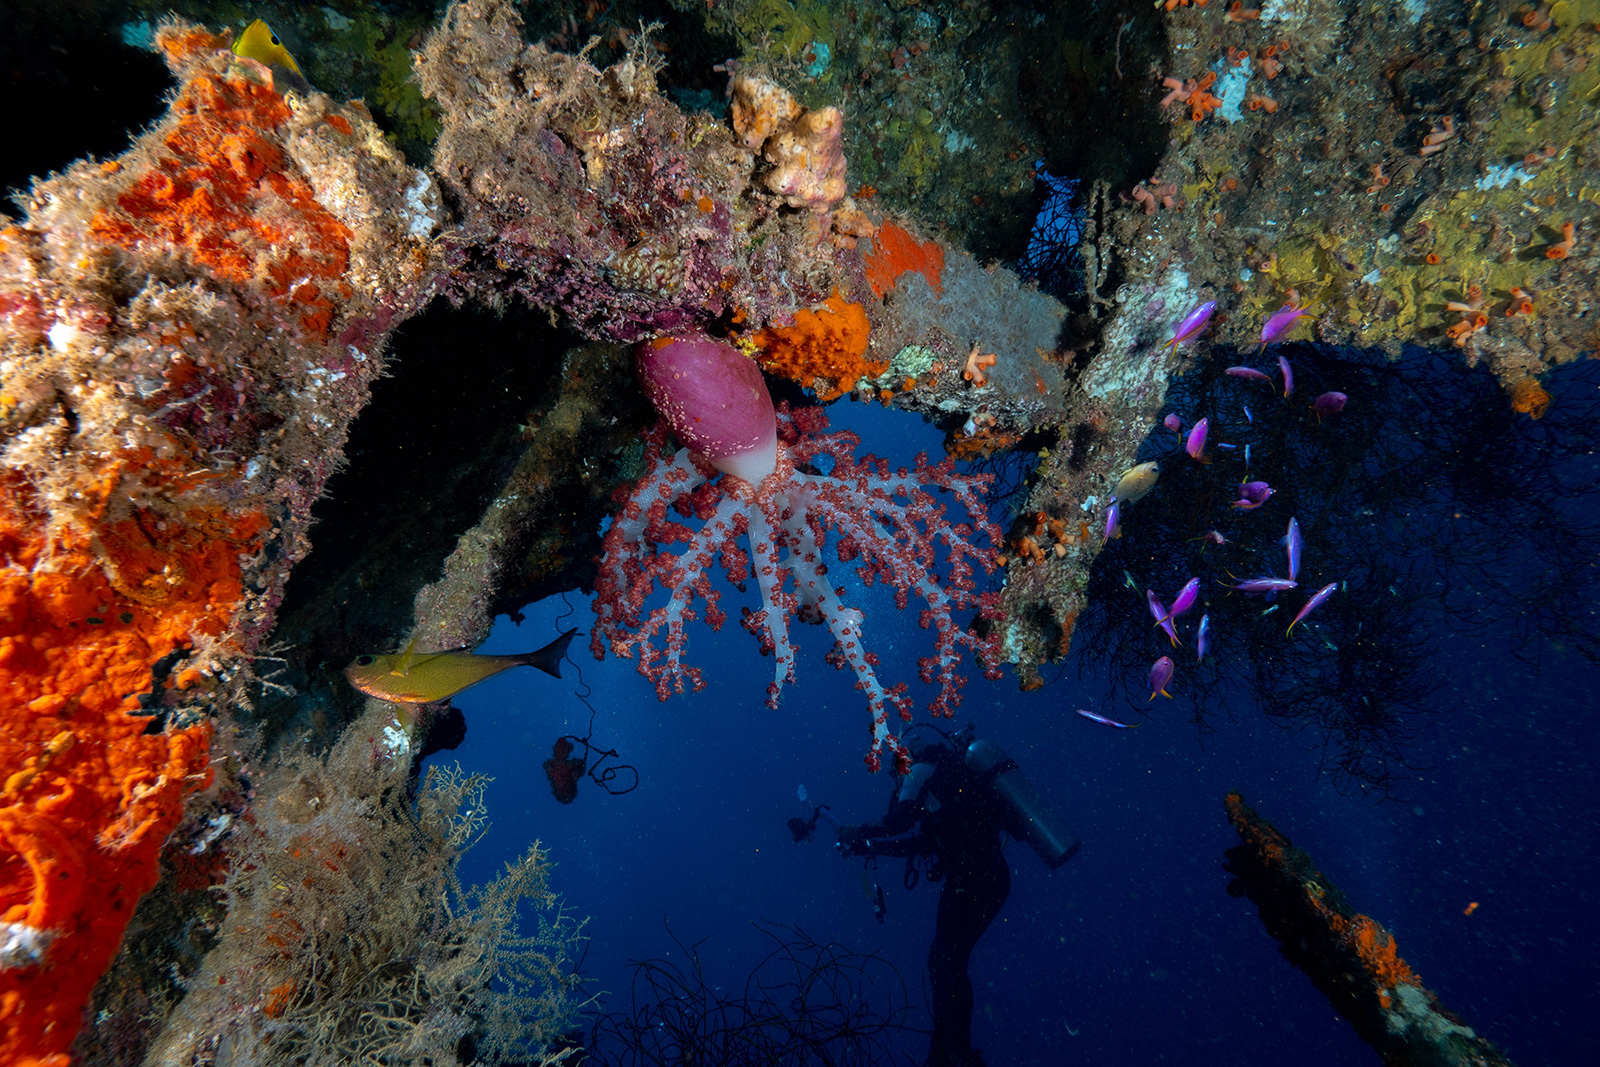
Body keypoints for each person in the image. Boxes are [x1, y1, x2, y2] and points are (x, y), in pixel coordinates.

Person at [834, 725, 1079, 1067]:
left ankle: (955, 1053)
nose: (892, 776)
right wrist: (869, 846)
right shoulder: (946, 784)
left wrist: (858, 832)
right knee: (947, 961)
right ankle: (950, 1050)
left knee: (945, 961)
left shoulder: (919, 771)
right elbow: (924, 843)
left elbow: (899, 824)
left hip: (972, 880)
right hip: (989, 879)